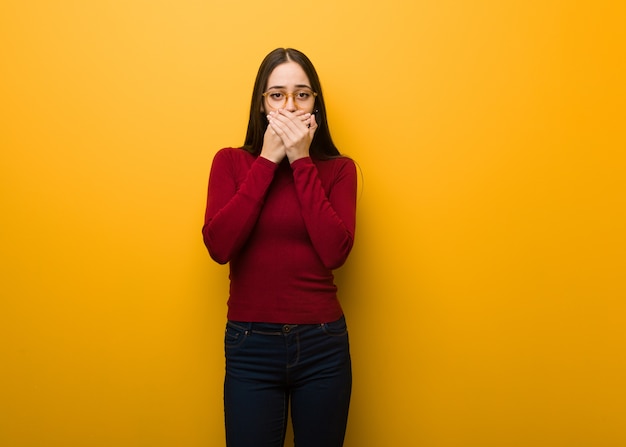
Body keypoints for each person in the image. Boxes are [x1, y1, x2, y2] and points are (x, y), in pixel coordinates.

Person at [202, 48, 357, 447]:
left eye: (301, 94)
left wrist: (301, 159)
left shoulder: (339, 170)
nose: (290, 106)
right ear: (261, 103)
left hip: (322, 344)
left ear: (315, 104)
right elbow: (220, 246)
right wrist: (268, 161)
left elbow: (334, 251)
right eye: (277, 95)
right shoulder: (230, 163)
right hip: (250, 345)